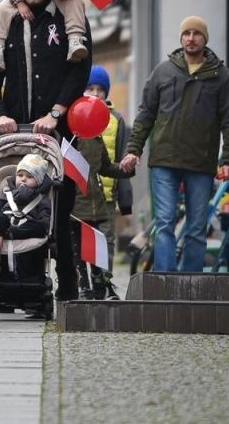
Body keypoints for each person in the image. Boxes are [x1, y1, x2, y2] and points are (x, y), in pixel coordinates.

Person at [0, 0, 91, 302]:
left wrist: (57, 111)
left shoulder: (66, 17)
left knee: (59, 209)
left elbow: (80, 70)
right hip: (15, 130)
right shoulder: (9, 20)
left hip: (57, 132)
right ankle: (7, 284)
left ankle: (67, 288)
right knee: (9, 202)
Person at [120, 17, 229, 273]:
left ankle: (190, 283)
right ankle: (166, 281)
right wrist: (133, 149)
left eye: (196, 33)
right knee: (164, 223)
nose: (191, 38)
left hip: (201, 163)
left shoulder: (222, 77)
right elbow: (145, 114)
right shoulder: (163, 71)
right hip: (164, 161)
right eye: (186, 33)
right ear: (180, 38)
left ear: (204, 39)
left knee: (196, 227)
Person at [77, 65, 132, 299]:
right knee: (80, 242)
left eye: (100, 89)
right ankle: (84, 283)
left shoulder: (114, 121)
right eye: (90, 88)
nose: (95, 94)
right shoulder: (76, 119)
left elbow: (113, 161)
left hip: (105, 197)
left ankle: (104, 283)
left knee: (104, 243)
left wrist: (125, 173)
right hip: (79, 197)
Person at [0, 153, 53, 281]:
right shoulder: (6, 192)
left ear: (39, 181)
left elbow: (45, 221)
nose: (23, 179)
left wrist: (26, 194)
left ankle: (7, 233)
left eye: (29, 177)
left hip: (26, 228)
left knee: (39, 226)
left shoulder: (42, 199)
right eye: (20, 175)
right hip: (3, 223)